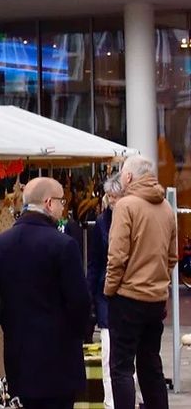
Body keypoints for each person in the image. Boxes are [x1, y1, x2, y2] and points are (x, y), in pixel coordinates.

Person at [0, 177, 90, 409]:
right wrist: (80, 332)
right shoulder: (63, 245)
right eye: (62, 201)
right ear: (49, 203)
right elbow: (80, 302)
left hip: (18, 354)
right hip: (59, 357)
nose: (64, 207)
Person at [105, 155, 178, 409]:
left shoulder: (126, 206)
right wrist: (161, 284)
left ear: (128, 177)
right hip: (155, 299)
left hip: (128, 296)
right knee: (150, 364)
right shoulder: (166, 208)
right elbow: (172, 256)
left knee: (122, 367)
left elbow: (117, 257)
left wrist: (109, 290)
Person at [87, 174, 125, 409]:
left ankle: (126, 398)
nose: (111, 200)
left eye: (115, 196)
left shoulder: (133, 218)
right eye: (109, 196)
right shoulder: (102, 222)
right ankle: (110, 402)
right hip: (105, 292)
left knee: (127, 350)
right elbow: (94, 262)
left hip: (128, 292)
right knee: (109, 350)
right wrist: (88, 295)